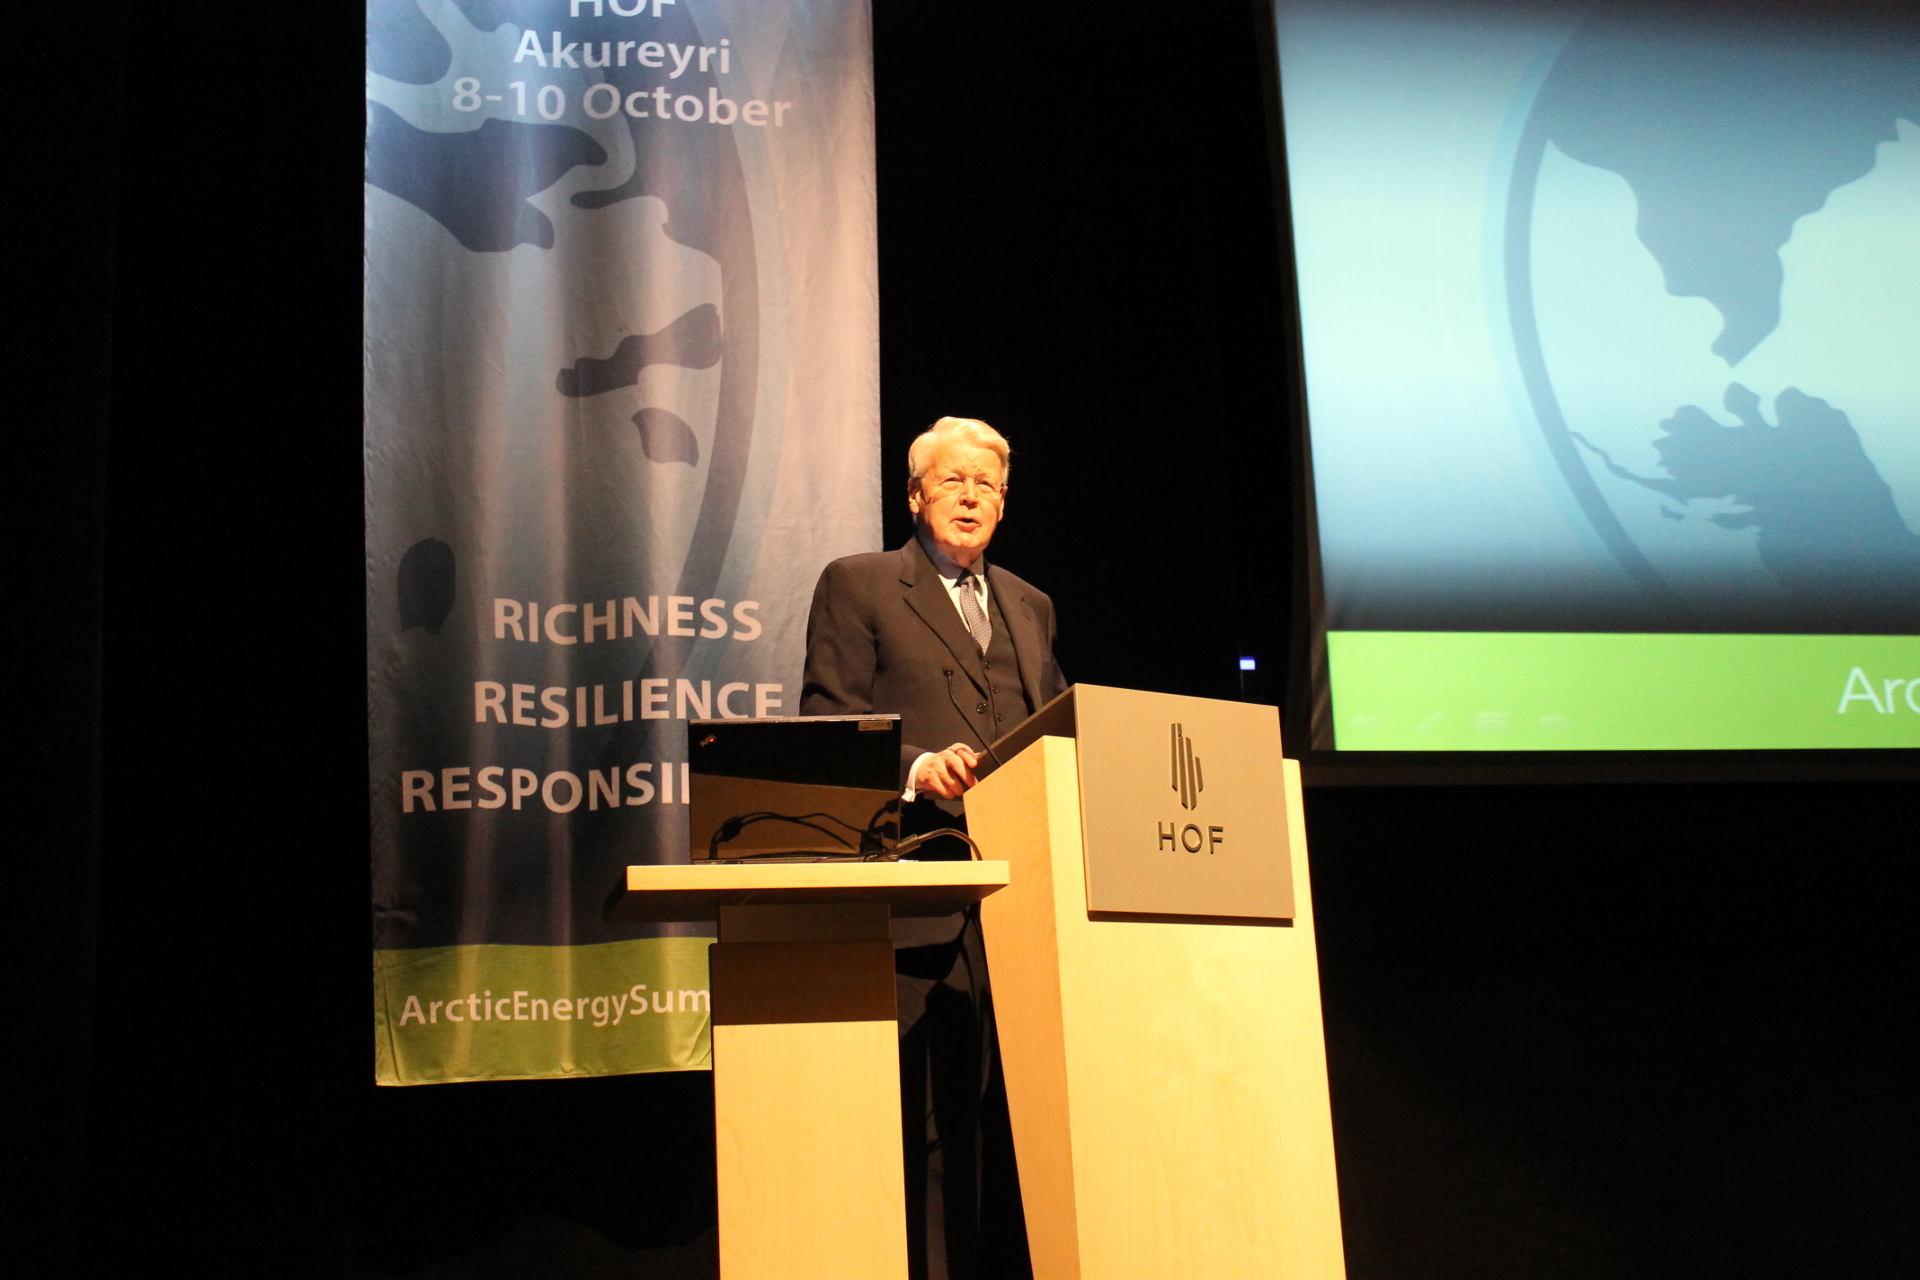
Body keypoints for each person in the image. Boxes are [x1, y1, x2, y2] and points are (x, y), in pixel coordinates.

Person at [802, 415, 1067, 1279]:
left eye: (987, 486)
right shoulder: (861, 585)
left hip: (1025, 905)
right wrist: (917, 767)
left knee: (1012, 1123)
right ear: (914, 494)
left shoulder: (1031, 605)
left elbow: (1055, 735)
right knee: (920, 1131)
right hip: (914, 903)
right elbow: (825, 725)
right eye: (953, 481)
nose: (971, 497)